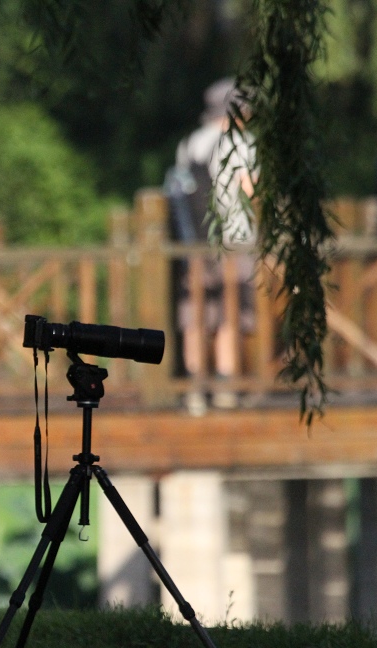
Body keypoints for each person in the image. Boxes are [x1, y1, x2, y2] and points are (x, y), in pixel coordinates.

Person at [166, 77, 257, 415]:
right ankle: (225, 386)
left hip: (195, 245)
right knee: (231, 314)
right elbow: (249, 191)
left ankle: (193, 387)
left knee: (196, 316)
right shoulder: (241, 142)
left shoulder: (190, 143)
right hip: (232, 240)